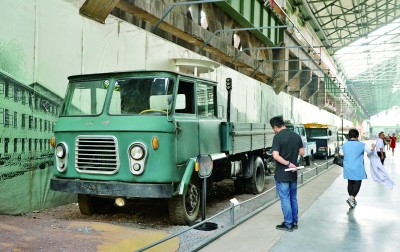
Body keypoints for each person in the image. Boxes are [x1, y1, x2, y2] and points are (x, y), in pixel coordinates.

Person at [269, 116, 305, 232]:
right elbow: (302, 152)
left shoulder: (277, 137)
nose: (274, 131)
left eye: (273, 128)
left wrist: (288, 163)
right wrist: (293, 159)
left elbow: (275, 155)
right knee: (293, 198)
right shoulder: (296, 135)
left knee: (285, 199)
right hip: (293, 173)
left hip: (282, 173)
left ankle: (288, 224)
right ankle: (294, 222)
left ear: (275, 127)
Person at [340, 129, 375, 208]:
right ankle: (351, 198)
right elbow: (369, 151)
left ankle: (352, 199)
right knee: (357, 183)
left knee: (350, 182)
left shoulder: (344, 145)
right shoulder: (361, 144)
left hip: (347, 167)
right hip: (357, 167)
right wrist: (373, 147)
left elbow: (341, 154)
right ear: (357, 136)